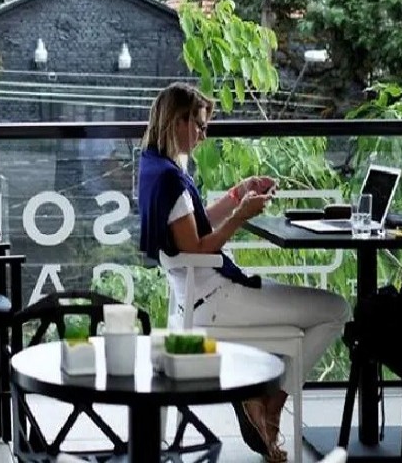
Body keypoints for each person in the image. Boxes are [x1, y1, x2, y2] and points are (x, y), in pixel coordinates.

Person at [138, 82, 351, 462]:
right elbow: (200, 248)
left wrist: (237, 194)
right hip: (216, 300)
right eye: (199, 126)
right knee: (336, 310)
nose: (204, 135)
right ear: (177, 121)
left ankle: (260, 399)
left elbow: (196, 226)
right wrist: (240, 216)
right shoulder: (170, 177)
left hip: (200, 297)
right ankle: (270, 405)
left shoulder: (157, 167)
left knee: (321, 310)